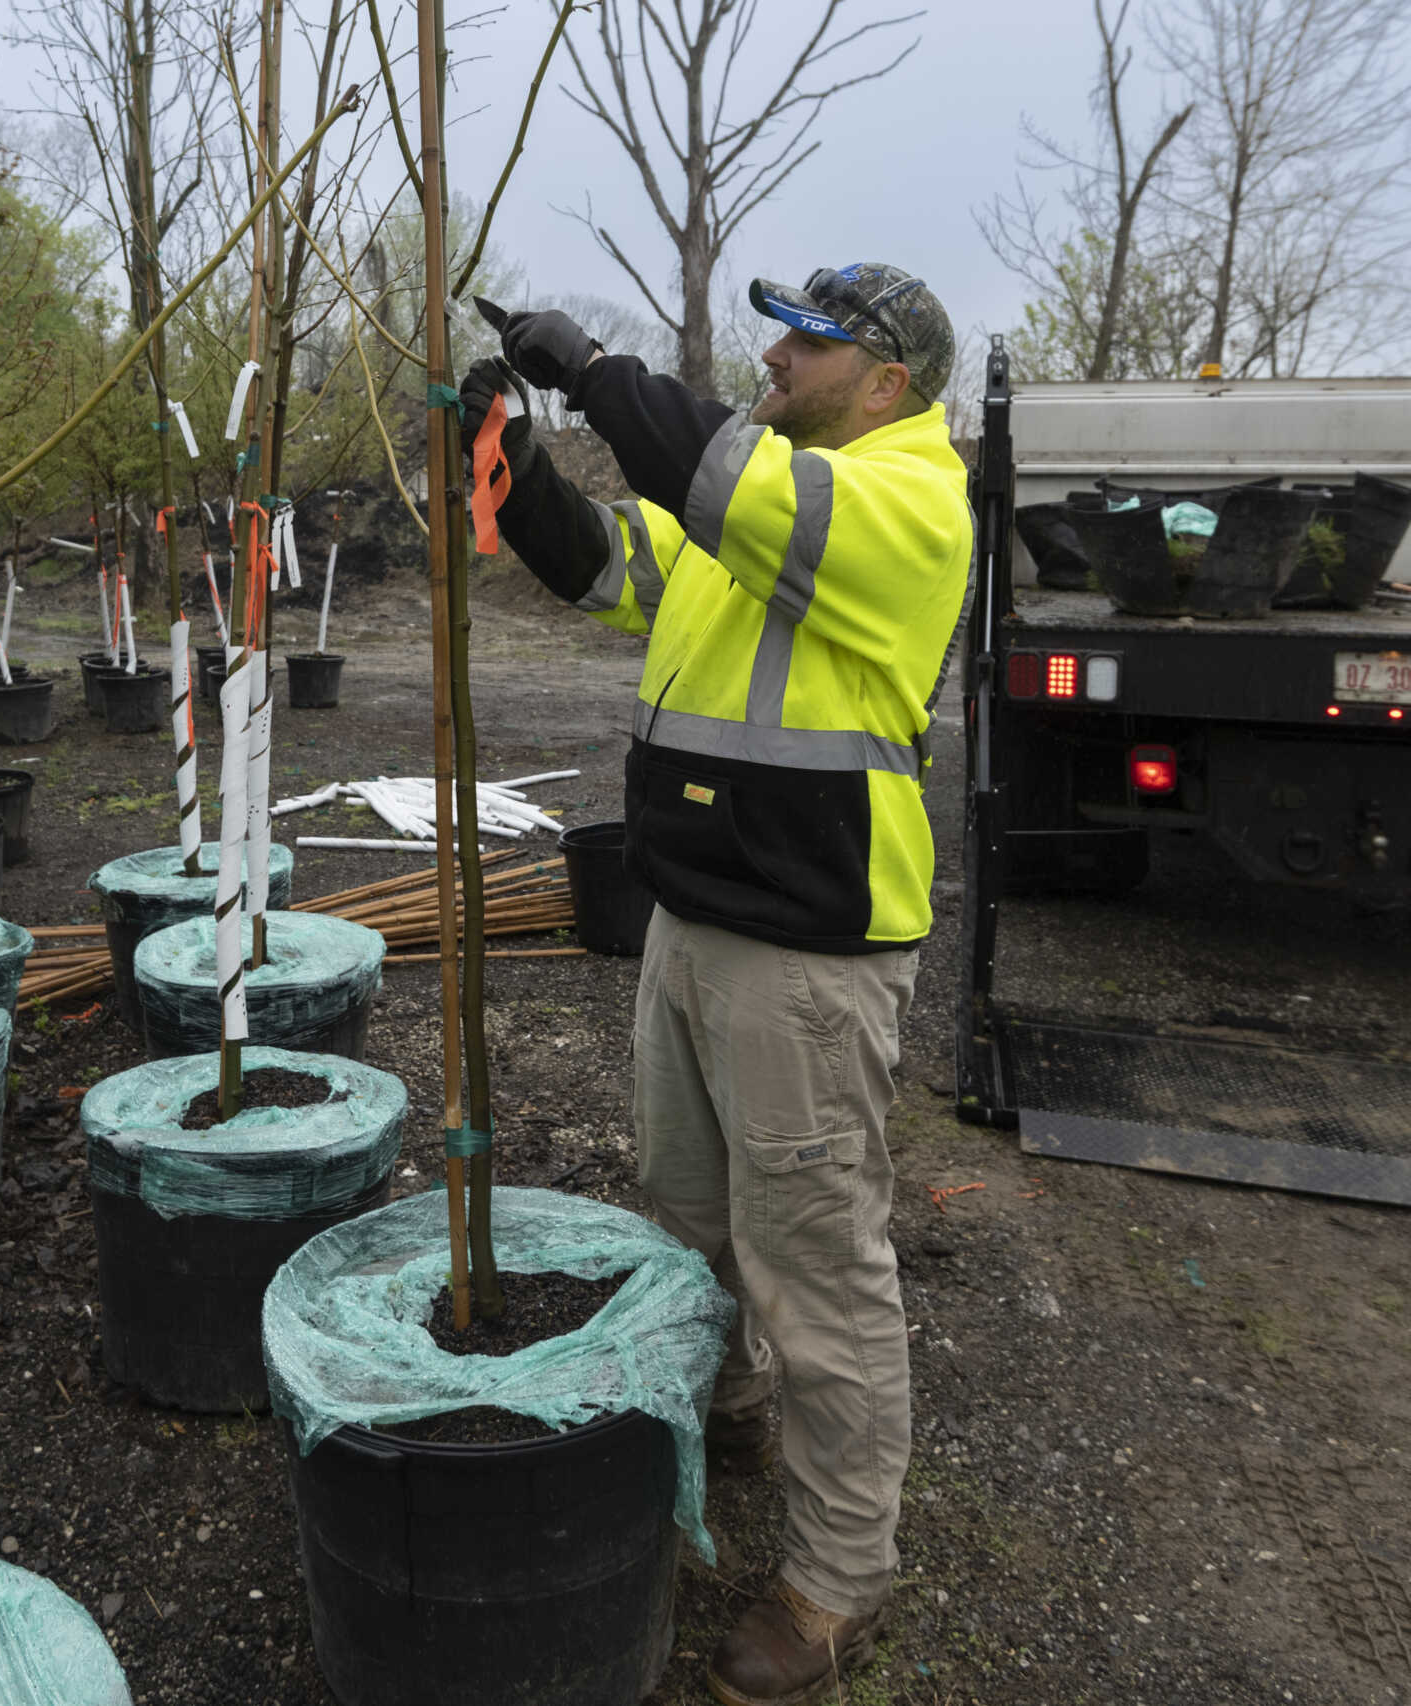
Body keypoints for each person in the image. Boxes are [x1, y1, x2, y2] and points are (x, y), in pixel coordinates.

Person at [458, 265, 968, 1706]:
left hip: (807, 951)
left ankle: (832, 1579)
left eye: (807, 341)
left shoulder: (901, 499)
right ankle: (733, 1410)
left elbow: (709, 468)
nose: (775, 356)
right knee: (688, 1219)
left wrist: (595, 364)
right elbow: (614, 565)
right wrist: (514, 450)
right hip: (692, 920)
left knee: (818, 1269)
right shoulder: (773, 508)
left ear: (888, 379)